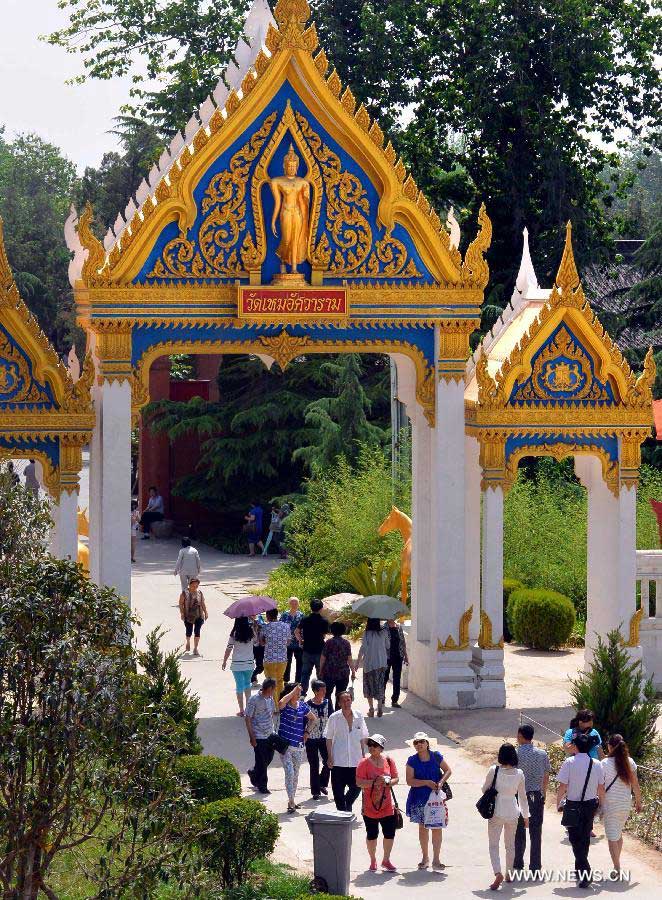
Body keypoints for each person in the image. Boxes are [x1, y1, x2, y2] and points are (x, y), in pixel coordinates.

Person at [556, 732, 606, 889]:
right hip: (590, 805)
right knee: (584, 838)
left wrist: (558, 802)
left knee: (574, 838)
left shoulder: (569, 762)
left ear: (576, 746)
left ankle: (586, 872)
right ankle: (580, 871)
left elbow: (562, 786)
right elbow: (601, 787)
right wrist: (602, 805)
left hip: (573, 805)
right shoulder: (596, 764)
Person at [482, 743, 530, 891]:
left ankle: (498, 872)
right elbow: (522, 797)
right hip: (513, 812)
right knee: (510, 845)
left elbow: (484, 789)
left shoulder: (494, 770)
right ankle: (509, 873)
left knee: (493, 845)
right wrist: (526, 816)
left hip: (496, 811)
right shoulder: (519, 773)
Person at [405, 731, 451, 871]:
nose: (419, 744)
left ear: (427, 743)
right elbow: (409, 781)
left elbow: (448, 770)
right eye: (416, 742)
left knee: (437, 827)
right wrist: (426, 782)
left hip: (436, 797)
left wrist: (441, 782)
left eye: (421, 741)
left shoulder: (436, 756)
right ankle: (425, 858)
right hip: (419, 798)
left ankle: (436, 859)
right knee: (423, 828)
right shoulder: (412, 760)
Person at [356, 733, 399, 872]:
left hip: (387, 805)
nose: (372, 747)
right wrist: (374, 782)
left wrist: (388, 782)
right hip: (370, 806)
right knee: (372, 835)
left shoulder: (389, 760)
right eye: (370, 745)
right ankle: (373, 860)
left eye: (375, 745)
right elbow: (359, 782)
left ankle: (386, 860)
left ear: (381, 747)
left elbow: (396, 778)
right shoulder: (363, 763)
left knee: (389, 834)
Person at [601, 734, 643, 874]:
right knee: (617, 833)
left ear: (610, 747)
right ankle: (617, 863)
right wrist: (639, 802)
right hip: (625, 803)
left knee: (612, 837)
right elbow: (635, 784)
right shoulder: (630, 762)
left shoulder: (604, 764)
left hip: (610, 804)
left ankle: (617, 867)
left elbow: (600, 786)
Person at [513, 724, 550, 876]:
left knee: (518, 830)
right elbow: (546, 775)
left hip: (519, 795)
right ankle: (535, 865)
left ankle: (518, 862)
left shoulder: (515, 754)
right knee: (536, 832)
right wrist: (543, 793)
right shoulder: (542, 754)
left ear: (520, 736)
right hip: (536, 795)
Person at [324, 690, 369, 811]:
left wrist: (364, 756)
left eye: (348, 700)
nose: (346, 703)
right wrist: (329, 757)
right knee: (338, 794)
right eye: (343, 701)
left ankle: (346, 806)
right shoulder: (334, 717)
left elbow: (363, 737)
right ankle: (343, 814)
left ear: (351, 701)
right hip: (338, 762)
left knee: (356, 788)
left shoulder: (359, 716)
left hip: (356, 761)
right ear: (339, 703)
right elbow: (328, 738)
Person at [277, 682, 316, 813]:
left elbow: (313, 719)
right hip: (285, 746)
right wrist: (293, 691)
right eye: (296, 693)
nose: (299, 695)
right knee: (290, 772)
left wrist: (307, 732)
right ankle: (291, 800)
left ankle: (292, 799)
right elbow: (281, 702)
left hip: (298, 746)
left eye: (299, 693)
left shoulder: (302, 706)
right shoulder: (285, 706)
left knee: (295, 774)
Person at [246, 678, 277, 794]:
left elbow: (271, 713)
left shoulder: (270, 698)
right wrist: (252, 737)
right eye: (274, 689)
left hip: (270, 733)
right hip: (259, 736)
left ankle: (254, 772)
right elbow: (248, 718)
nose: (274, 691)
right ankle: (262, 786)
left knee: (268, 758)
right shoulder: (254, 700)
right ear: (270, 688)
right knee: (262, 761)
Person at [222, 616, 256, 716]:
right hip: (249, 663)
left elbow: (229, 648)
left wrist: (224, 661)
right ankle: (248, 709)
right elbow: (257, 642)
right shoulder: (251, 632)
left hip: (237, 664)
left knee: (239, 686)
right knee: (247, 684)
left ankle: (241, 710)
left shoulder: (234, 634)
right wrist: (254, 625)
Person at [357, 618, 390, 718]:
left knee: (369, 686)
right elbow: (388, 646)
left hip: (369, 664)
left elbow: (363, 648)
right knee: (379, 685)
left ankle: (371, 709)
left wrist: (357, 662)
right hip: (381, 663)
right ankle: (379, 708)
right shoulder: (384, 632)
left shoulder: (366, 633)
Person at [306, 679, 332, 799]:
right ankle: (315, 791)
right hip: (311, 738)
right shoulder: (307, 705)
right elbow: (304, 721)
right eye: (322, 690)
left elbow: (332, 718)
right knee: (314, 764)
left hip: (325, 737)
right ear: (316, 691)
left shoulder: (327, 702)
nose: (324, 692)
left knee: (329, 761)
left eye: (325, 689)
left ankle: (322, 782)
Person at [320, 621, 355, 709]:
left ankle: (329, 711)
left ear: (332, 630)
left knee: (327, 694)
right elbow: (349, 659)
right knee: (341, 695)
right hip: (343, 673)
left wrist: (320, 670)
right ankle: (338, 712)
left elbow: (323, 658)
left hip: (329, 672)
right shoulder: (346, 643)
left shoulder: (329, 642)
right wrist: (353, 671)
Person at [297, 599, 329, 694]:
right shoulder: (324, 621)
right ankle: (320, 693)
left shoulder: (305, 619)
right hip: (320, 650)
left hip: (307, 649)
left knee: (305, 673)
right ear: (321, 608)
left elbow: (296, 631)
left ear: (310, 608)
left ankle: (303, 693)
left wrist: (301, 641)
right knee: (320, 673)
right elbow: (324, 635)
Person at [261, 607, 290, 699]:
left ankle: (274, 704)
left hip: (269, 658)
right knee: (280, 680)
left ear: (268, 616)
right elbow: (288, 642)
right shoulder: (286, 626)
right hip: (282, 658)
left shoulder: (265, 627)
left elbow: (262, 642)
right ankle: (281, 702)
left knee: (271, 683)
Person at [178, 576, 208, 656]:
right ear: (189, 585)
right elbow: (180, 604)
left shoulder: (199, 593)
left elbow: (202, 603)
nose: (195, 587)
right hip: (188, 615)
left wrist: (206, 612)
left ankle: (195, 648)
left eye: (196, 586)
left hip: (199, 615)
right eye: (193, 585)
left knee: (197, 631)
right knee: (189, 631)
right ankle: (188, 642)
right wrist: (182, 613)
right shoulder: (184, 593)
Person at [384, 618, 408, 708]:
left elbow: (403, 642)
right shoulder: (383, 628)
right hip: (386, 657)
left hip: (398, 656)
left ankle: (395, 700)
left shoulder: (399, 627)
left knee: (397, 678)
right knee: (384, 677)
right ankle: (382, 697)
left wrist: (406, 656)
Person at [281, 596, 304, 683]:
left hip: (298, 642)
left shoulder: (301, 615)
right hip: (287, 643)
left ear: (298, 604)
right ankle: (286, 680)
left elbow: (304, 628)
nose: (294, 605)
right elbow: (281, 627)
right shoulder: (285, 615)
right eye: (292, 603)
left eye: (296, 603)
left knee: (300, 663)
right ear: (289, 604)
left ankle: (298, 681)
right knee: (287, 662)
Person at [250, 613, 265, 684]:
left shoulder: (260, 617)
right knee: (250, 664)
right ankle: (253, 678)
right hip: (251, 646)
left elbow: (264, 627)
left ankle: (253, 675)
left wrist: (260, 627)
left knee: (261, 667)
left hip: (261, 646)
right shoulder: (246, 620)